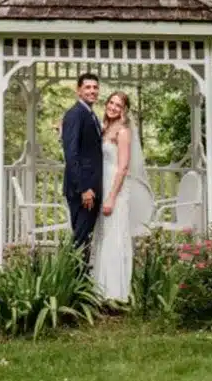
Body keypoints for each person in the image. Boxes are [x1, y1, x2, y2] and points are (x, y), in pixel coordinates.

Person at [91, 91, 155, 303]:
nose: (113, 107)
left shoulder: (124, 132)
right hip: (103, 186)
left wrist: (111, 197)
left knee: (115, 237)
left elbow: (123, 167)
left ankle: (115, 293)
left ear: (124, 109)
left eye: (118, 105)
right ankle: (100, 290)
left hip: (115, 191)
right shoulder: (105, 127)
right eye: (111, 102)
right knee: (103, 236)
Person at [60, 73, 103, 269]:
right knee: (80, 239)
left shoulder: (90, 114)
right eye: (88, 87)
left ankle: (80, 280)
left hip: (92, 189)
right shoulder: (75, 114)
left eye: (95, 87)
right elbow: (71, 155)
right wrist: (85, 188)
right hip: (82, 191)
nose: (92, 91)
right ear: (78, 90)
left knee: (84, 237)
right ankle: (73, 283)